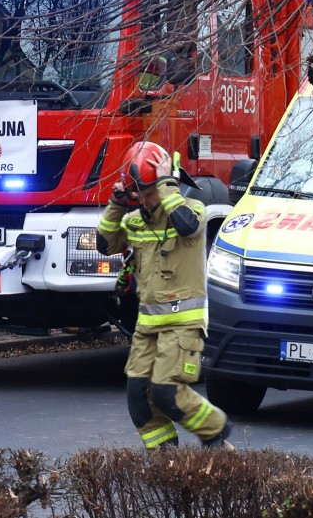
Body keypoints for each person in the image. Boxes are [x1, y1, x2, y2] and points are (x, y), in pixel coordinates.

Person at [96, 141, 231, 450]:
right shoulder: (135, 220)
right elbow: (105, 245)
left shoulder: (191, 211)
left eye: (149, 192)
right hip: (148, 329)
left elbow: (187, 226)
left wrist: (166, 186)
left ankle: (216, 434)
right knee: (139, 399)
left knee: (166, 393)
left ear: (167, 184)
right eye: (139, 194)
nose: (144, 200)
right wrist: (117, 205)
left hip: (182, 326)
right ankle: (166, 462)